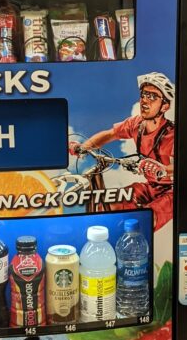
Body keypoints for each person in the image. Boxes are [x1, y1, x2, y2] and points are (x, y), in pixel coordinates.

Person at [70, 72, 175, 229]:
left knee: (146, 222)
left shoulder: (172, 134)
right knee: (111, 203)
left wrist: (163, 170)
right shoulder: (136, 124)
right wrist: (84, 147)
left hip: (172, 192)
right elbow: (109, 134)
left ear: (165, 106)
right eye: (144, 94)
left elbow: (186, 166)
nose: (145, 100)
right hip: (150, 186)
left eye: (153, 96)